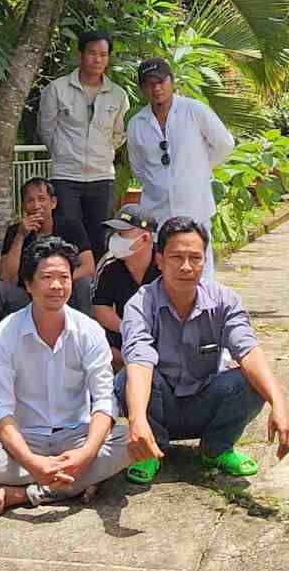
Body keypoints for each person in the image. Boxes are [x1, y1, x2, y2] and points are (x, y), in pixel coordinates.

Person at [118, 216, 289, 484]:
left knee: (249, 381)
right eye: (176, 257)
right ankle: (150, 450)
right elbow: (140, 360)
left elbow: (248, 351)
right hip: (157, 407)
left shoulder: (224, 300)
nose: (186, 267)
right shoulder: (140, 305)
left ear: (205, 260)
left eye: (195, 258)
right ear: (160, 260)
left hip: (204, 402)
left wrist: (279, 404)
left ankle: (217, 448)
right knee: (127, 377)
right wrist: (137, 419)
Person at [0, 237, 132, 512]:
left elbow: (104, 400)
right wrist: (33, 462)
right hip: (27, 438)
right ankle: (77, 483)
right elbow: (0, 410)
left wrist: (87, 452)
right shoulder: (3, 335)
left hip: (77, 436)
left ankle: (29, 492)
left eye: (63, 277)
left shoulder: (88, 331)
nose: (56, 286)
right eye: (47, 277)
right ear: (29, 284)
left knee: (130, 442)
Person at [0, 178, 96, 385]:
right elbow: (8, 277)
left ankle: (85, 350)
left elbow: (88, 267)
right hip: (26, 298)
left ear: (53, 202)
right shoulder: (15, 231)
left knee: (83, 284)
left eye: (42, 199)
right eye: (30, 201)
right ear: (23, 206)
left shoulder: (70, 227)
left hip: (62, 297)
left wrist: (56, 281)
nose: (36, 205)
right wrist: (21, 236)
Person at [125, 58, 235, 274]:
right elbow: (138, 167)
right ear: (142, 89)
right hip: (158, 210)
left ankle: (205, 308)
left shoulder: (193, 110)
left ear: (172, 81)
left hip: (195, 205)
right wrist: (160, 183)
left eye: (161, 81)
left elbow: (225, 144)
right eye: (149, 83)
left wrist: (199, 169)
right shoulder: (137, 123)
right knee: (163, 269)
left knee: (200, 268)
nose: (157, 88)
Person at [38, 30, 130, 256]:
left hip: (102, 177)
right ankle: (69, 286)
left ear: (108, 58)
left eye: (103, 54)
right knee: (67, 238)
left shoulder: (118, 95)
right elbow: (46, 129)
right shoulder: (57, 89)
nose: (97, 59)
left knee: (101, 237)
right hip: (65, 177)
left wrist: (103, 151)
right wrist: (63, 152)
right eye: (92, 53)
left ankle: (98, 287)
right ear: (80, 55)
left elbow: (119, 133)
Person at [91, 206, 160, 369]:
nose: (115, 238)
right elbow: (100, 307)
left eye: (122, 233)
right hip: (124, 336)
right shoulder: (109, 264)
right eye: (115, 233)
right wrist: (128, 328)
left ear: (145, 239)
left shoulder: (166, 261)